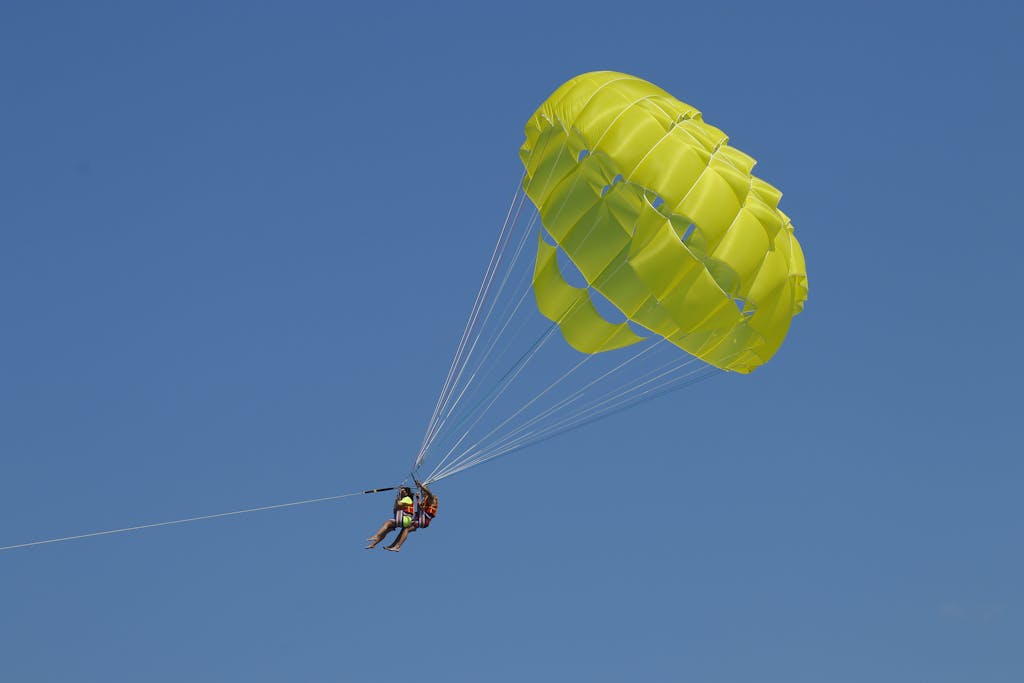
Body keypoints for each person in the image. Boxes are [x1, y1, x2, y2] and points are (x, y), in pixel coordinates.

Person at [381, 480, 438, 553]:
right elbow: (420, 510)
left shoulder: (431, 498)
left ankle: (397, 547)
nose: (422, 493)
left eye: (423, 491)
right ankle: (393, 545)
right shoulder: (424, 500)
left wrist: (421, 486)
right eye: (421, 491)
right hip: (421, 519)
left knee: (406, 529)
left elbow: (429, 494)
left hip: (424, 520)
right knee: (404, 529)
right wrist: (417, 500)